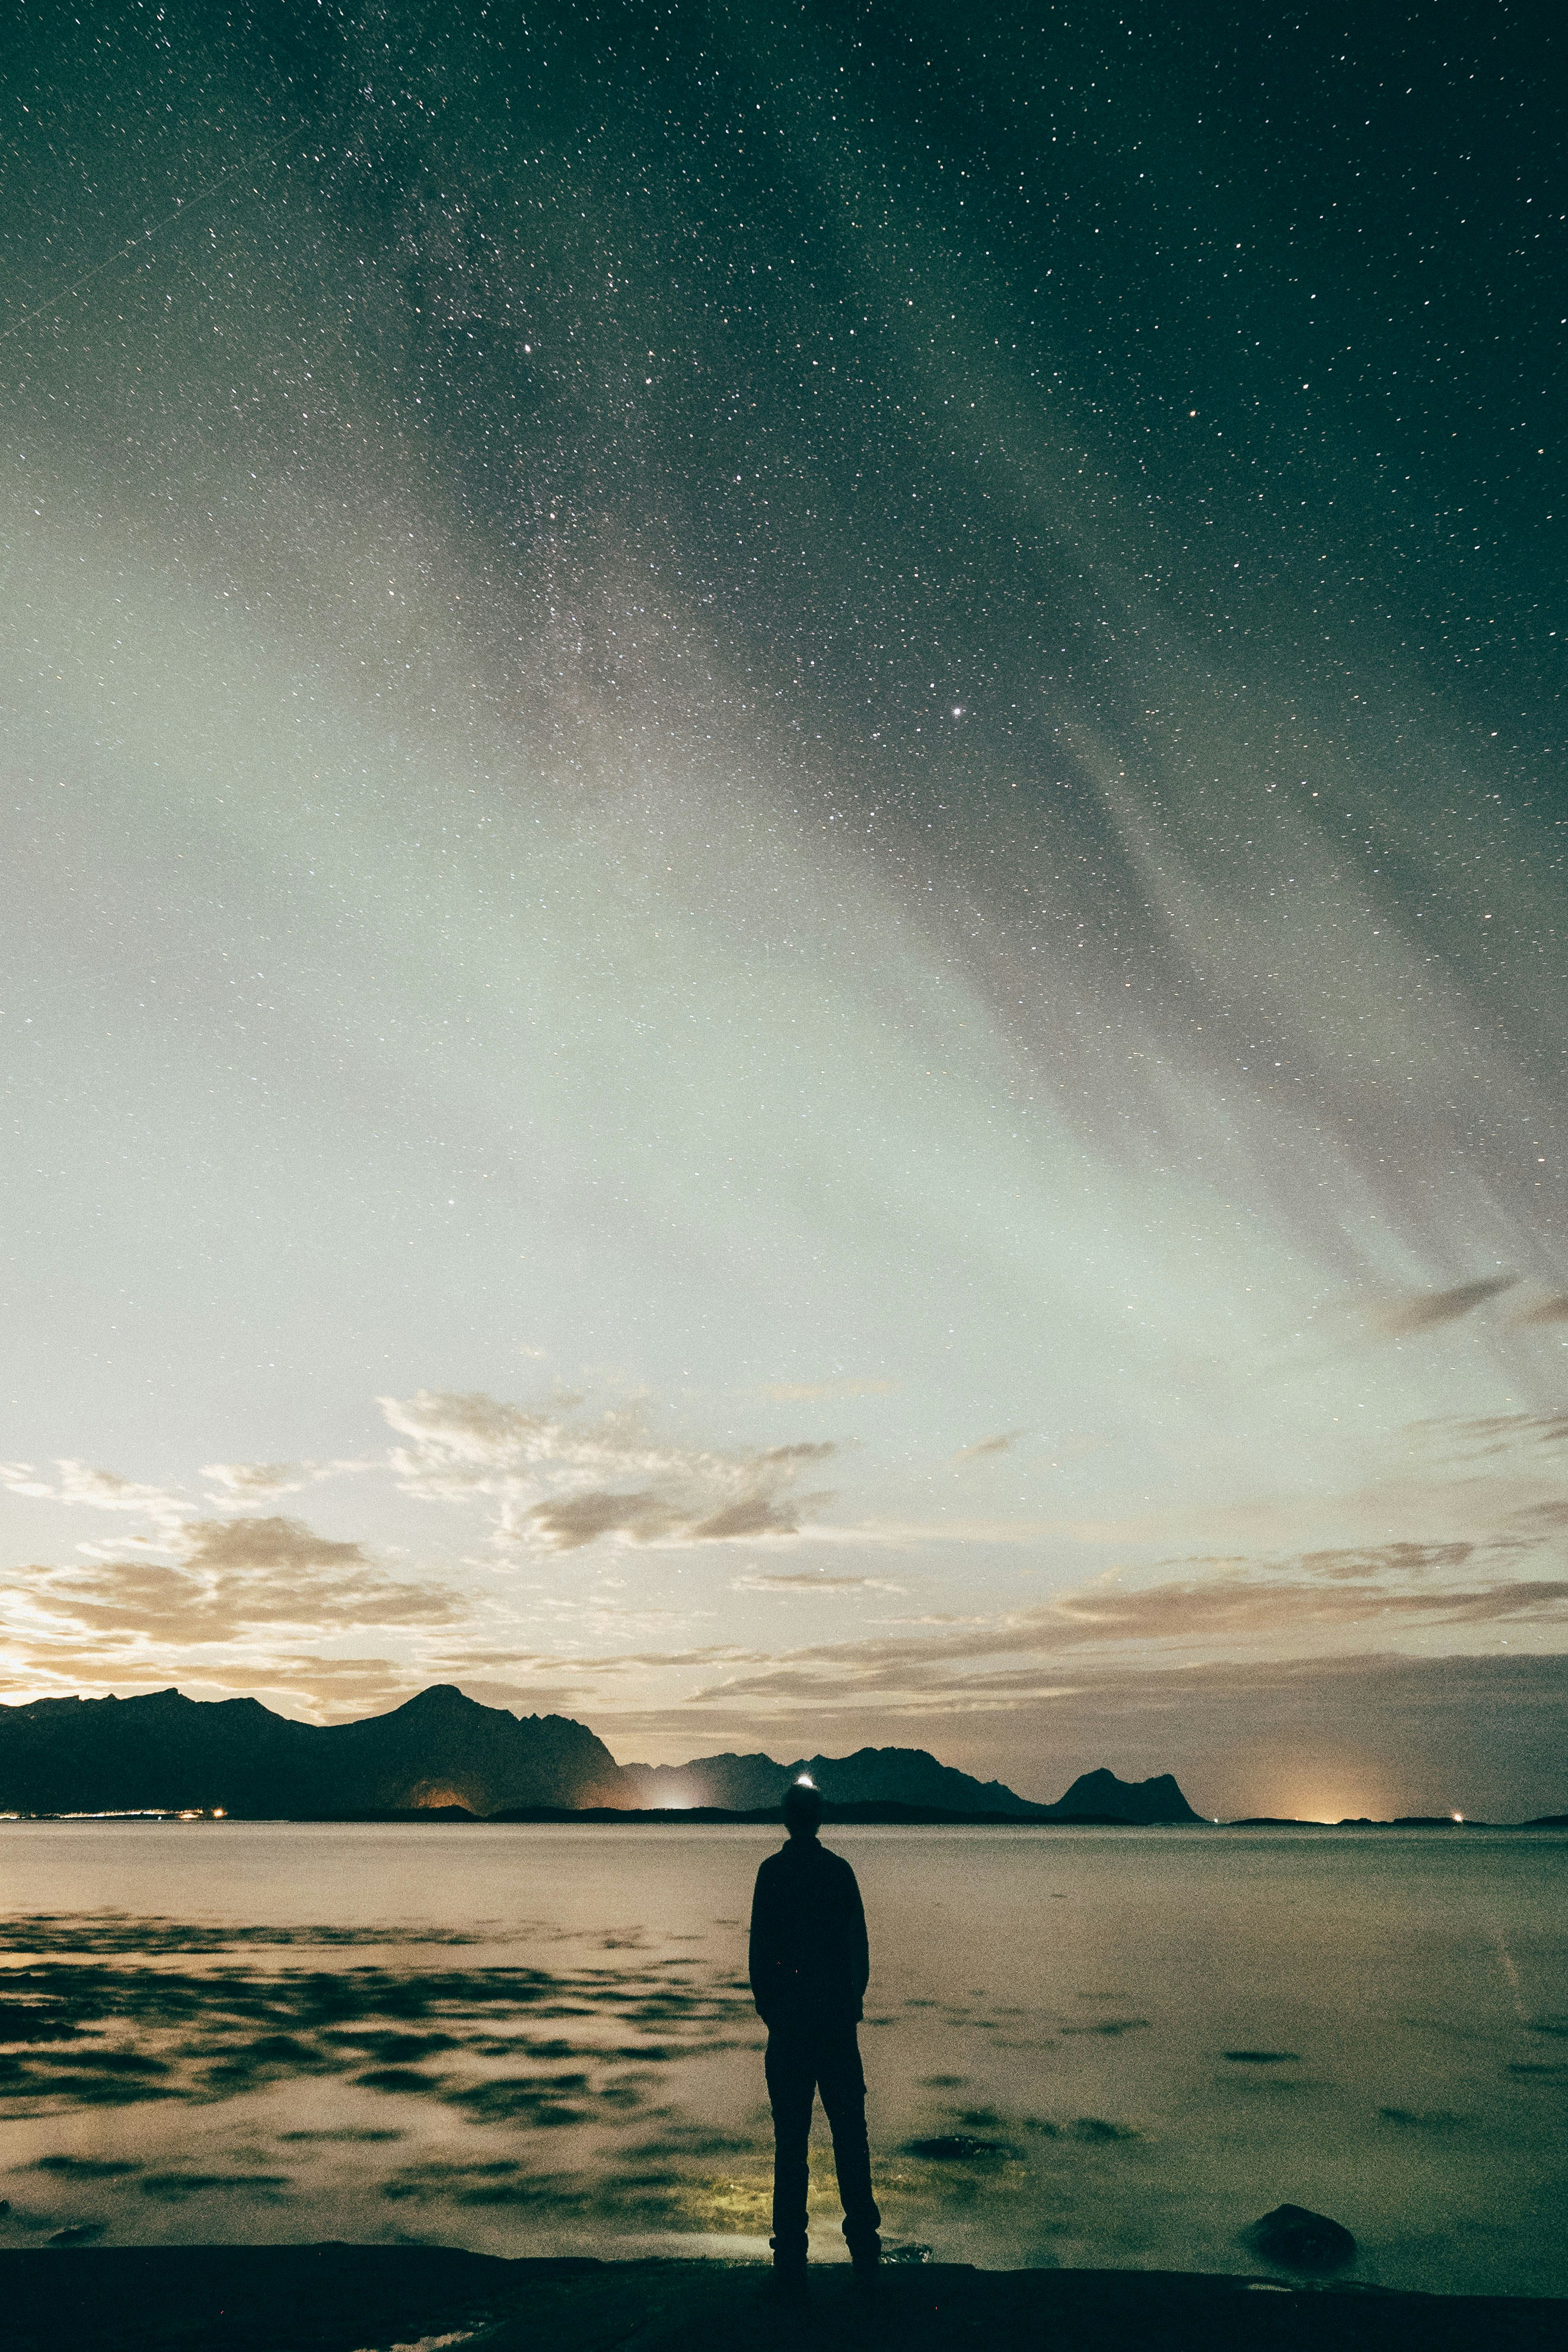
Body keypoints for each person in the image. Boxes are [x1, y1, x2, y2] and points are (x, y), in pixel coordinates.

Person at [748, 1780, 882, 2285]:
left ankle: (790, 2259)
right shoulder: (838, 1872)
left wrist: (774, 2013)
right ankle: (865, 2253)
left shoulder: (772, 1874)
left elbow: (760, 1957)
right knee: (851, 2141)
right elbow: (858, 1951)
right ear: (819, 1817)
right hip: (835, 2029)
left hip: (790, 2031)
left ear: (787, 1818)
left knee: (791, 2146)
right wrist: (850, 2005)